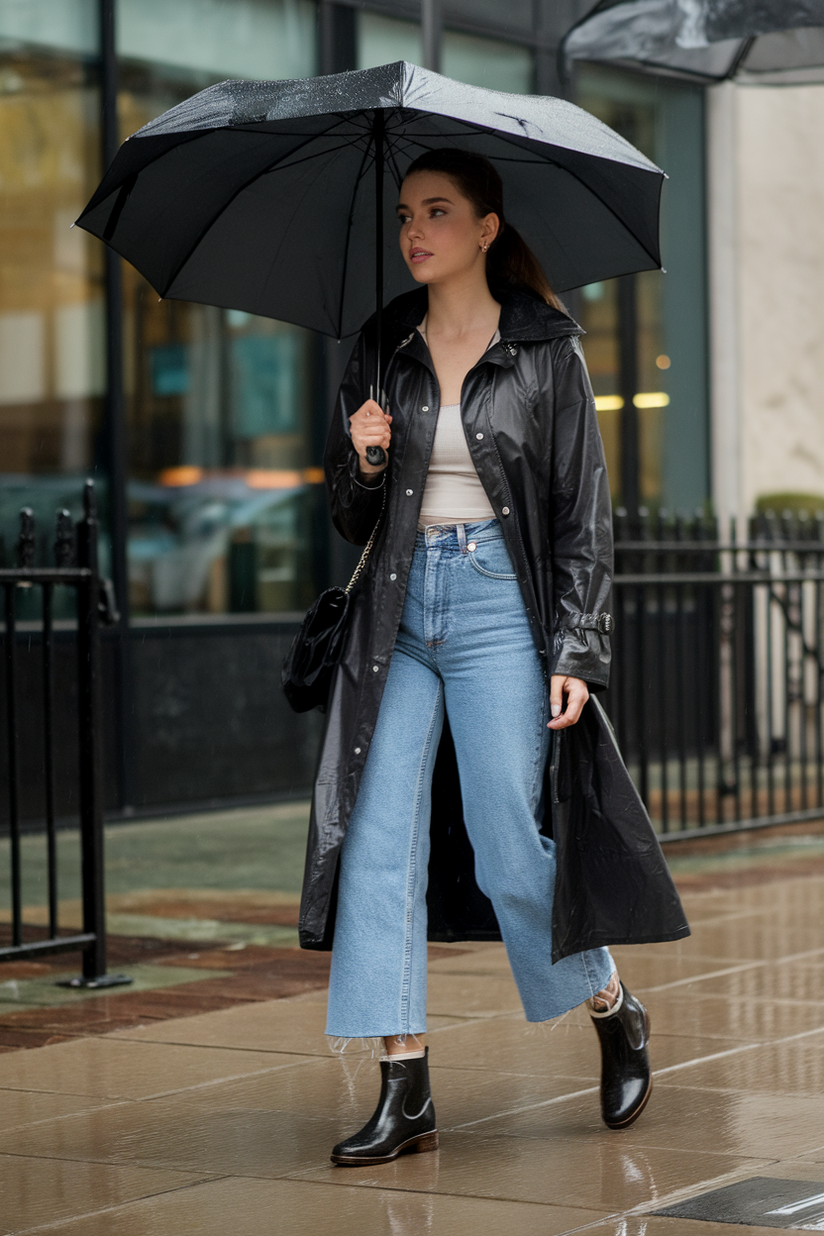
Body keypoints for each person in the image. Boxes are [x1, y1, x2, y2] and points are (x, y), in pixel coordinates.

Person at [299, 147, 689, 1166]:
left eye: (435, 213)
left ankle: (610, 1004)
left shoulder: (546, 349)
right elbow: (347, 513)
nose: (412, 232)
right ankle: (404, 1084)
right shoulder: (382, 344)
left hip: (494, 612)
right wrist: (367, 458)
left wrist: (575, 646)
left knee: (504, 839)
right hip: (398, 612)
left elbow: (580, 516)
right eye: (402, 216)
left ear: (484, 228)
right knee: (377, 842)